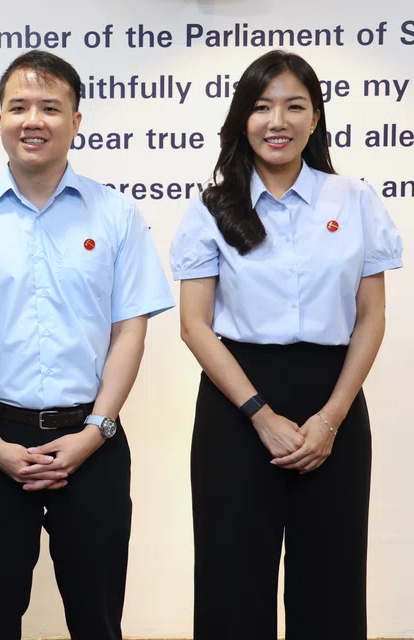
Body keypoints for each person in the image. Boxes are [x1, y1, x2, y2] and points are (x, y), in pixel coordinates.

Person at [0, 50, 174, 640]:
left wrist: (95, 432)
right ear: (0, 118)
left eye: (50, 107)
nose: (33, 119)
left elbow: (129, 329)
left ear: (76, 121)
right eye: (19, 107)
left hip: (94, 440)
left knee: (97, 617)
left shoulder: (114, 215)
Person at [171, 49, 402, 640]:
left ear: (316, 118)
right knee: (231, 582)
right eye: (262, 106)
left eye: (294, 106)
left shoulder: (352, 199)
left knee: (330, 581)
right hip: (236, 403)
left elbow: (371, 317)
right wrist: (260, 414)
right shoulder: (212, 209)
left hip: (334, 399)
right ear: (241, 119)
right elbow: (195, 325)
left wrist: (331, 418)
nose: (278, 121)